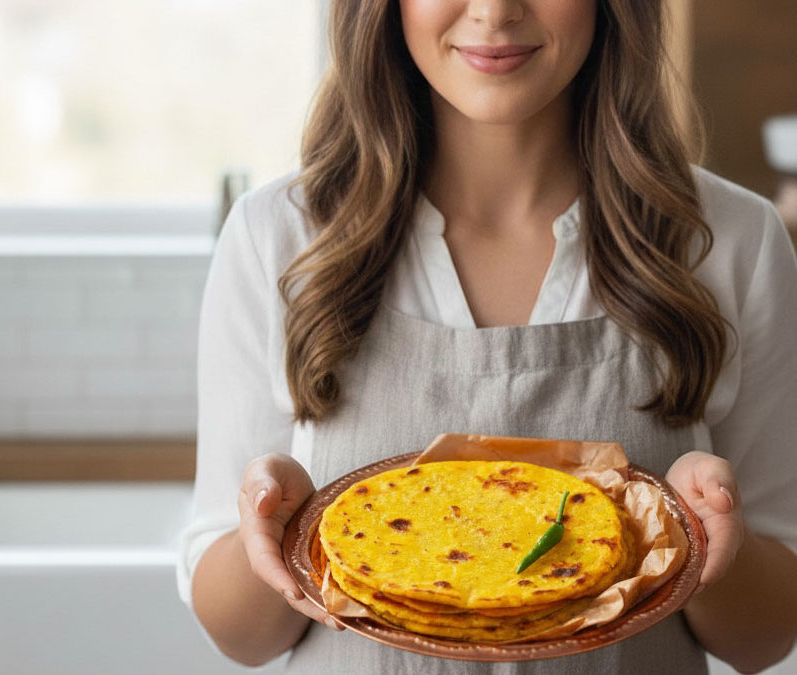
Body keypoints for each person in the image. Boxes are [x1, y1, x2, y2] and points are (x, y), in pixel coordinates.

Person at [176, 1, 797, 673]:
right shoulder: (278, 237)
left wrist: (698, 535)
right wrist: (277, 527)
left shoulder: (734, 242)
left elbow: (764, 639)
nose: (495, 12)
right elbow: (242, 637)